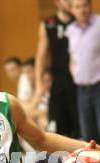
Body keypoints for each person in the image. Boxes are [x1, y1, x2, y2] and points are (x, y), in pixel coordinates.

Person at [66, 0, 100, 150]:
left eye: (85, 5)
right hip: (82, 90)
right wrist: (74, 71)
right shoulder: (71, 29)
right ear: (72, 10)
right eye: (78, 7)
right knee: (88, 137)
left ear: (90, 6)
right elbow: (73, 55)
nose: (82, 9)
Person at [35, 0, 79, 138]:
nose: (71, 2)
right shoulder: (48, 24)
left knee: (79, 131)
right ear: (57, 2)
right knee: (56, 131)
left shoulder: (80, 22)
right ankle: (57, 160)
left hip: (79, 84)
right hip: (58, 83)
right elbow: (41, 57)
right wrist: (39, 84)